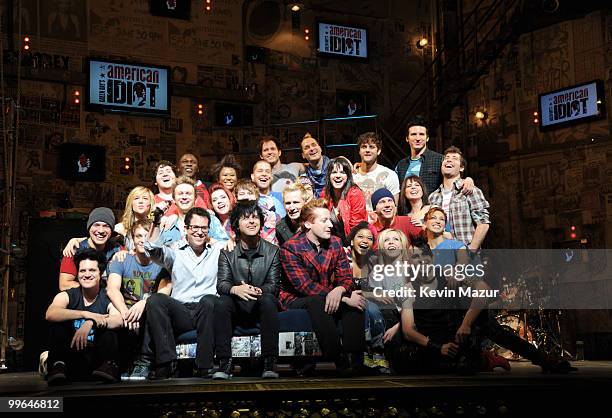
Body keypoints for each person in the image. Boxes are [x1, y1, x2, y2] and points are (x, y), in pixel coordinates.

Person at [280, 199, 369, 375]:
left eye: (330, 220)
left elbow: (346, 277)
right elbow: (304, 286)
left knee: (356, 299)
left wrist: (341, 290)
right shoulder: (290, 248)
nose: (330, 225)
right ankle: (338, 358)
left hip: (327, 294)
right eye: (324, 221)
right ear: (307, 224)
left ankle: (355, 361)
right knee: (317, 301)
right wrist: (342, 297)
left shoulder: (335, 243)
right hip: (296, 299)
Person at [144, 207, 225, 379]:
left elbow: (237, 246)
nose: (199, 232)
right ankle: (167, 363)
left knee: (209, 300)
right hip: (182, 311)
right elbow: (151, 249)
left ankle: (205, 366)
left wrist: (230, 241)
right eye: (195, 227)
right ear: (186, 229)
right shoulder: (174, 250)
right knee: (155, 300)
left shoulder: (218, 249)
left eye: (203, 228)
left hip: (207, 310)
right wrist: (156, 221)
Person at [214, 202, 281, 379]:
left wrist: (254, 290)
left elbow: (274, 285)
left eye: (255, 217)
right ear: (236, 224)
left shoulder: (272, 251)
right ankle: (225, 363)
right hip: (237, 305)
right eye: (246, 218)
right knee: (221, 302)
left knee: (268, 300)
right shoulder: (227, 252)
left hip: (261, 303)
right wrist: (236, 289)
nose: (251, 222)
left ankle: (269, 363)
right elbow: (221, 285)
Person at [45, 249, 124, 386]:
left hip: (97, 365)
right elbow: (50, 313)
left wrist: (92, 322)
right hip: (71, 361)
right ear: (77, 274)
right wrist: (85, 314)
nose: (87, 275)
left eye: (92, 270)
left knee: (110, 331)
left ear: (101, 274)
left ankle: (109, 366)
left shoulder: (106, 297)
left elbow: (118, 320)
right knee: (59, 325)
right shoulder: (68, 295)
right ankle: (57, 365)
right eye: (82, 271)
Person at [107, 220, 170, 380]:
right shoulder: (121, 259)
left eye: (147, 236)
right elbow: (112, 288)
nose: (143, 240)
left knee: (153, 310)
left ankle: (144, 363)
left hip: (150, 312)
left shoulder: (162, 262)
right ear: (133, 240)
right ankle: (116, 364)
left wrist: (144, 303)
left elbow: (165, 291)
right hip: (126, 311)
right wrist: (125, 313)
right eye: (138, 236)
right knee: (114, 315)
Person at [428, 146, 490, 249]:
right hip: (441, 254)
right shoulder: (433, 197)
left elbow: (483, 223)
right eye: (446, 157)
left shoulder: (470, 191)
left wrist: (471, 250)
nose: (449, 159)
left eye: (454, 158)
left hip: (465, 254)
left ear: (461, 168)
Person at [63, 186, 156, 254]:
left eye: (145, 198)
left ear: (150, 203)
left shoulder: (155, 227)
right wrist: (76, 240)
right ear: (131, 203)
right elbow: (100, 237)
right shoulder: (121, 227)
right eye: (136, 198)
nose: (141, 201)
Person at [394, 117, 473, 196]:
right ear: (407, 138)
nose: (417, 138)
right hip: (406, 208)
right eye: (413, 134)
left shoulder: (439, 159)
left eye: (421, 134)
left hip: (432, 206)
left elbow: (455, 177)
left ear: (427, 138)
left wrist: (469, 180)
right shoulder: (401, 165)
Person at [59, 207, 122, 290]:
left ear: (111, 230)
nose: (101, 230)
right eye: (96, 225)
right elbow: (64, 285)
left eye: (106, 226)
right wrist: (98, 288)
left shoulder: (118, 250)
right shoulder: (74, 250)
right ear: (89, 228)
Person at [158, 176, 226, 244]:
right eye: (180, 194)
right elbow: (156, 250)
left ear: (195, 199)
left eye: (188, 194)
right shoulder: (167, 225)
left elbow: (226, 244)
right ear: (174, 199)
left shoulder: (211, 221)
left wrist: (209, 240)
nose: (184, 197)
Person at [321, 157, 367, 246]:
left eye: (342, 172)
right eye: (334, 172)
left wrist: (349, 247)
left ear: (348, 176)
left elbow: (357, 227)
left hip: (354, 243)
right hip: (333, 243)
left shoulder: (355, 193)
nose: (338, 176)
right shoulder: (325, 194)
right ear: (329, 176)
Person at [353, 132, 400, 212]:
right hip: (357, 222)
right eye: (364, 147)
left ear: (378, 151)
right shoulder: (351, 176)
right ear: (359, 151)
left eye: (371, 147)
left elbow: (394, 208)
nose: (367, 150)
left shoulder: (389, 175)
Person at [300, 133, 329, 198]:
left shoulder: (334, 168)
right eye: (307, 147)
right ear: (303, 155)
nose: (311, 149)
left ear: (320, 148)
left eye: (314, 145)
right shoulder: (304, 177)